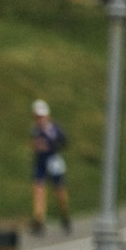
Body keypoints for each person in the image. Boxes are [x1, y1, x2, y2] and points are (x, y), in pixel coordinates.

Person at [28, 100, 71, 236]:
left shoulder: (54, 128)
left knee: (59, 190)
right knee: (38, 190)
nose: (39, 120)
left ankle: (65, 215)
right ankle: (39, 219)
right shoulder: (35, 130)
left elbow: (64, 141)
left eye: (41, 117)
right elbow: (34, 145)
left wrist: (51, 145)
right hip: (40, 162)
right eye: (37, 117)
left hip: (53, 160)